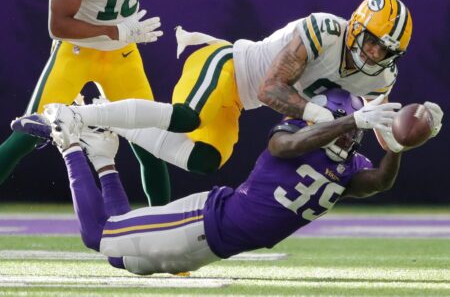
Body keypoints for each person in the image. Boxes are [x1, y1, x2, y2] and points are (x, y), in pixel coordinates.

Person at [15, 0, 442, 175]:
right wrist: (323, 116)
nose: (372, 55)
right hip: (226, 64)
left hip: (239, 102)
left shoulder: (383, 74)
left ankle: (108, 124)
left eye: (384, 51)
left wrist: (410, 130)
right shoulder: (323, 31)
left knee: (204, 160)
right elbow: (272, 89)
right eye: (369, 42)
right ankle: (70, 113)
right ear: (356, 27)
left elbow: (385, 134)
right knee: (186, 118)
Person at [36, 88, 424, 275]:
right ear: (326, 119)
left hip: (213, 250)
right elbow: (288, 145)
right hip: (203, 221)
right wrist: (350, 121)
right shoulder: (291, 135)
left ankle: (103, 157)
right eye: (343, 128)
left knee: (125, 260)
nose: (348, 138)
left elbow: (378, 183)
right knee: (98, 236)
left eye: (352, 133)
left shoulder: (349, 166)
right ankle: (68, 142)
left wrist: (398, 147)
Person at [1, 0, 170, 205]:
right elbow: (58, 26)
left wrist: (120, 33)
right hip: (76, 52)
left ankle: (165, 225)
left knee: (151, 144)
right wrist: (114, 31)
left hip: (122, 54)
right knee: (28, 133)